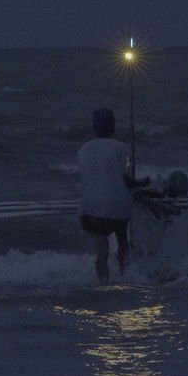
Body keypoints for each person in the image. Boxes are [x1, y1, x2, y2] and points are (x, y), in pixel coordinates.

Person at [78, 107, 149, 284]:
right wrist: (141, 183)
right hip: (116, 212)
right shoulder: (121, 148)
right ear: (113, 126)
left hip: (89, 212)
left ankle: (103, 282)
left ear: (94, 127)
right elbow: (126, 179)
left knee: (101, 249)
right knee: (122, 239)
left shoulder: (83, 150)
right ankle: (124, 275)